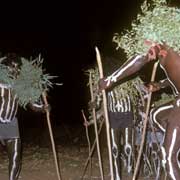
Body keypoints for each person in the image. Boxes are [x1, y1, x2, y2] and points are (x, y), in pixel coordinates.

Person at [99, 42, 180, 179]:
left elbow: (141, 58)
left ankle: (172, 152)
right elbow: (174, 76)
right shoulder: (171, 49)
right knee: (156, 114)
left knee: (167, 157)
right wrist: (160, 84)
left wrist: (110, 80)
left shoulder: (164, 43)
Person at [0, 53, 49, 180]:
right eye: (12, 67)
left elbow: (32, 104)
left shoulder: (20, 87)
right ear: (5, 68)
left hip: (11, 123)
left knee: (16, 156)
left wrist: (43, 108)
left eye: (17, 67)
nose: (15, 70)